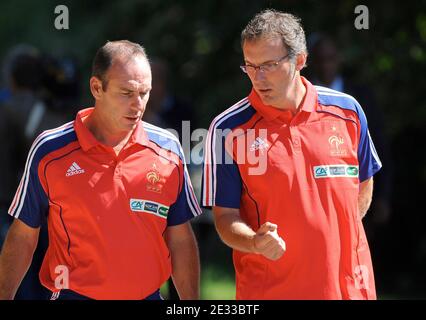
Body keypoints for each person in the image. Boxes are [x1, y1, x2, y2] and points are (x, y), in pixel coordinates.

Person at [0, 40, 202, 300]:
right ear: (97, 87)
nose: (138, 104)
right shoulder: (50, 150)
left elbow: (181, 239)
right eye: (126, 92)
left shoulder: (168, 149)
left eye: (144, 93)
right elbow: (24, 236)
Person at [202, 9, 382, 299]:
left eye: (269, 65)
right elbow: (224, 217)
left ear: (300, 60)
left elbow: (364, 181)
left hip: (351, 289)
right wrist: (255, 242)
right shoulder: (227, 129)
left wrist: (337, 233)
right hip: (272, 290)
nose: (257, 77)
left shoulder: (347, 111)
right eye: (250, 65)